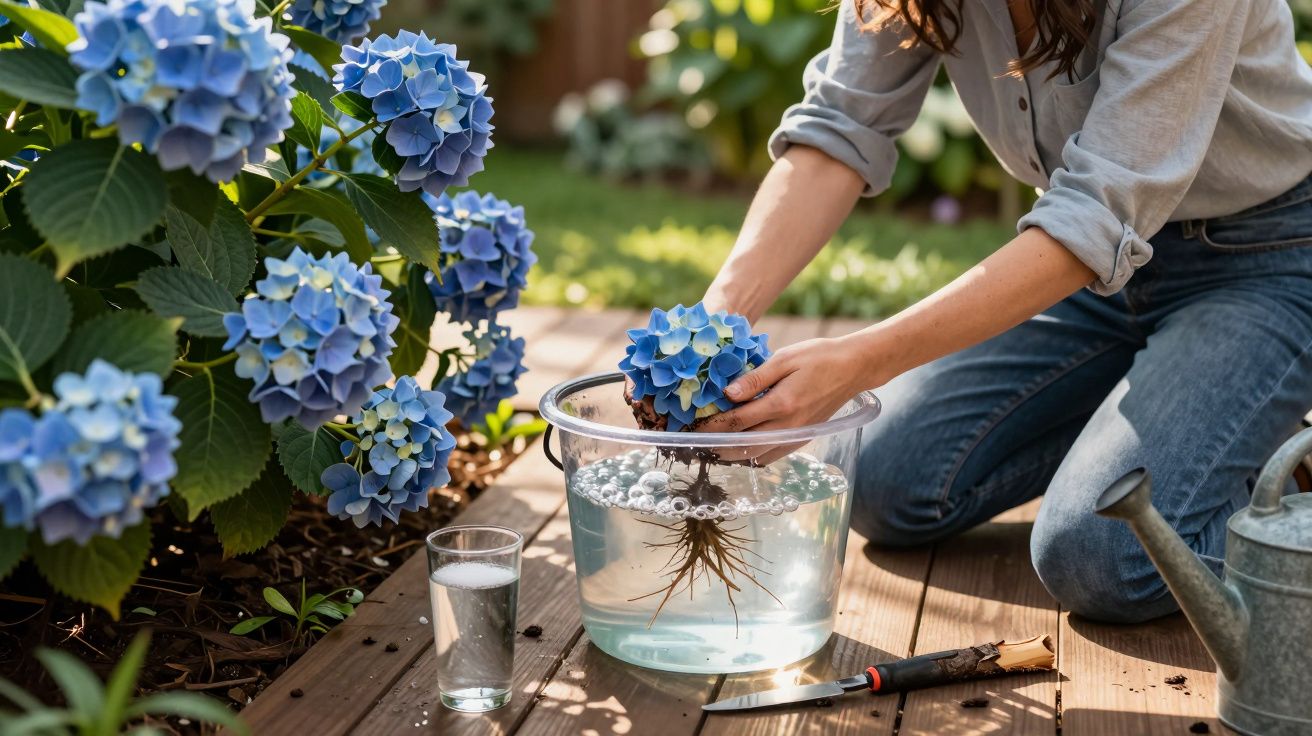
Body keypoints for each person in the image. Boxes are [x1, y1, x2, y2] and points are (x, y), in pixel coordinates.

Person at [695, 0, 1312, 623]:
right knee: (886, 482)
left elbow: (1098, 214)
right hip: (1090, 274)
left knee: (1104, 557)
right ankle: (1175, 423)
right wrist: (707, 329)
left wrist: (862, 360)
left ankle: (1281, 491)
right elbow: (838, 126)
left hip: (1262, 261)